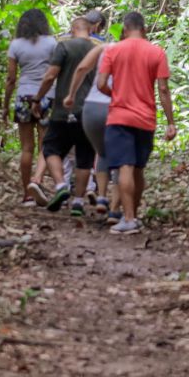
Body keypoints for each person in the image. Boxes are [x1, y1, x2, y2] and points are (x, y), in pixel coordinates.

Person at [93, 11, 176, 235]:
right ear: (144, 29)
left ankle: (128, 218)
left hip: (119, 117)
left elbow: (101, 83)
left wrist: (115, 94)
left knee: (124, 167)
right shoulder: (156, 52)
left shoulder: (114, 50)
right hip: (145, 119)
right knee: (138, 169)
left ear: (125, 29)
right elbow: (164, 89)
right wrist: (171, 122)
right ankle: (134, 215)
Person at [34, 14, 100, 215]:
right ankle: (79, 201)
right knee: (85, 157)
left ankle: (61, 185)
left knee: (50, 147)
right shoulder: (97, 49)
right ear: (90, 30)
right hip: (88, 110)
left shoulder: (63, 47)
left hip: (63, 109)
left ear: (72, 30)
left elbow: (51, 75)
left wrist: (38, 98)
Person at [64, 13, 119, 222]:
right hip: (109, 103)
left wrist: (69, 94)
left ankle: (85, 191)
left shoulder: (63, 42)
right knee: (107, 153)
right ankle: (102, 195)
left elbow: (79, 69)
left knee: (77, 148)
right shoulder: (103, 45)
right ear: (96, 26)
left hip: (85, 103)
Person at [1, 8, 57, 206]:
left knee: (26, 148)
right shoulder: (52, 43)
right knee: (45, 144)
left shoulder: (15, 45)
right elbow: (56, 70)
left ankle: (27, 195)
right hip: (47, 97)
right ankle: (37, 181)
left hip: (24, 96)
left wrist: (5, 105)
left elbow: (11, 78)